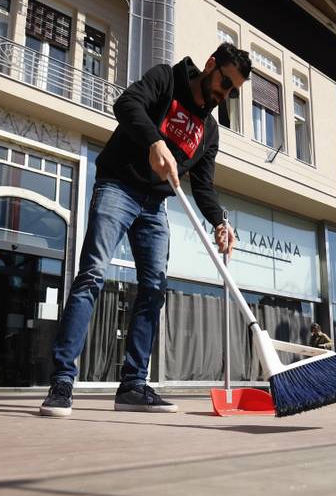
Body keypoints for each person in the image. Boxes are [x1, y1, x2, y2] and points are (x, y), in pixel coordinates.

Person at [39, 43, 252, 417]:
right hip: (118, 185)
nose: (225, 93)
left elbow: (202, 186)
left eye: (233, 90)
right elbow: (126, 105)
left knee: (154, 289)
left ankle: (134, 385)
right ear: (211, 65)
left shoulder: (210, 131)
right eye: (224, 82)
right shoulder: (166, 78)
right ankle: (62, 381)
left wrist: (220, 221)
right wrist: (154, 141)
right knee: (92, 274)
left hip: (155, 206)